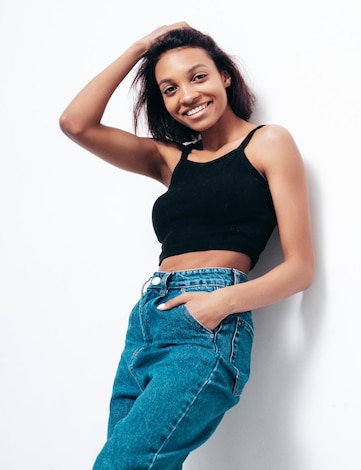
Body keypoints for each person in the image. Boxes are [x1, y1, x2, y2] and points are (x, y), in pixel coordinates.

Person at [59, 21, 314, 469]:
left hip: (206, 324)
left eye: (198, 77)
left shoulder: (268, 142)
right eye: (169, 88)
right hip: (148, 320)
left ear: (225, 76)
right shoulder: (170, 158)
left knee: (121, 464)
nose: (187, 95)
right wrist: (142, 46)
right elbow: (75, 124)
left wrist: (218, 304)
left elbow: (299, 268)